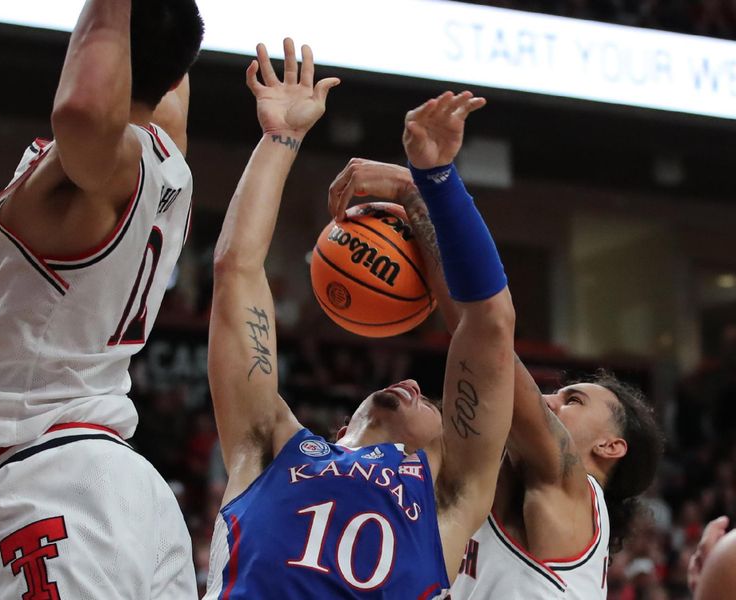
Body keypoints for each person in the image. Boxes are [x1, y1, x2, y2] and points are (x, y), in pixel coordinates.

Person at [205, 42, 515, 597]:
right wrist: (281, 137)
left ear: (452, 443)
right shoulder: (269, 448)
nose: (418, 385)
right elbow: (236, 270)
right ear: (340, 425)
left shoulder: (451, 497)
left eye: (437, 406)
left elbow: (487, 322)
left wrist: (433, 185)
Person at [0, 1, 204, 597]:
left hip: (54, 481)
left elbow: (85, 107)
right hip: (118, 480)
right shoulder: (171, 159)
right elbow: (159, 59)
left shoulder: (95, 173)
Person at [328, 158, 664, 598]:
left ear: (610, 446)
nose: (548, 401)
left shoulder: (571, 488)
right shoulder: (473, 489)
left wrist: (419, 193)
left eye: (572, 400)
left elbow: (486, 336)